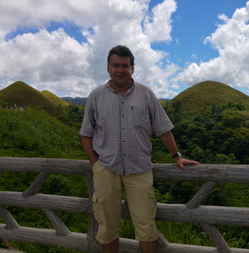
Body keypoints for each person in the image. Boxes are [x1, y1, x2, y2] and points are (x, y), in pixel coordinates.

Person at [80, 45, 199, 253]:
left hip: (139, 168)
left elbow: (163, 127)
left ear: (132, 68)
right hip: (106, 167)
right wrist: (96, 164)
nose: (120, 70)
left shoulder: (146, 94)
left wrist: (176, 156)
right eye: (115, 65)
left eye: (125, 66)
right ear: (108, 68)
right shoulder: (96, 96)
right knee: (107, 227)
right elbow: (86, 134)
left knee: (146, 226)